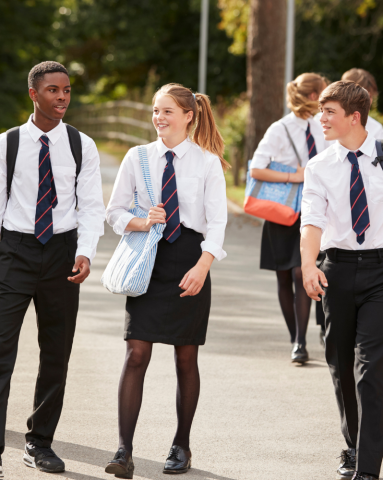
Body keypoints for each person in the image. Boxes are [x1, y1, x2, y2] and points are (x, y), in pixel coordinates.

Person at [104, 83, 228, 478]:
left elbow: (217, 221)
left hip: (191, 261)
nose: (158, 118)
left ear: (189, 115)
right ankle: (124, 450)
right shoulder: (137, 156)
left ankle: (182, 445)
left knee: (185, 356)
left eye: (167, 112)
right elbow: (115, 212)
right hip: (149, 260)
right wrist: (143, 221)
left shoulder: (207, 162)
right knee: (136, 352)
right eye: (155, 111)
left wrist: (204, 265)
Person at [0, 61, 105, 476]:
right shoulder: (7, 144)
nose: (62, 97)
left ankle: (40, 443)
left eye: (66, 90)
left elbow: (91, 207)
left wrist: (86, 252)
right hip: (14, 251)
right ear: (34, 94)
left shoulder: (82, 145)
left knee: (56, 354)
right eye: (53, 90)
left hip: (62, 254)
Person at [301, 80, 383, 480]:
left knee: (371, 367)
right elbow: (312, 221)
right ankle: (353, 444)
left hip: (381, 271)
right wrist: (307, 265)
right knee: (340, 363)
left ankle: (367, 469)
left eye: (329, 111)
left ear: (354, 116)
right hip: (337, 268)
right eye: (321, 111)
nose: (321, 118)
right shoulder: (319, 166)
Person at [250, 72, 327, 364]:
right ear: (312, 97)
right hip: (283, 211)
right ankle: (296, 336)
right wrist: (294, 176)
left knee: (300, 271)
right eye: (322, 93)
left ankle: (301, 340)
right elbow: (256, 170)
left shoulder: (325, 126)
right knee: (284, 275)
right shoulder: (279, 129)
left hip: (314, 209)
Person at [342, 68, 383, 139]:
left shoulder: (376, 128)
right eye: (362, 96)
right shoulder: (324, 120)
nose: (368, 101)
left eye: (370, 96)